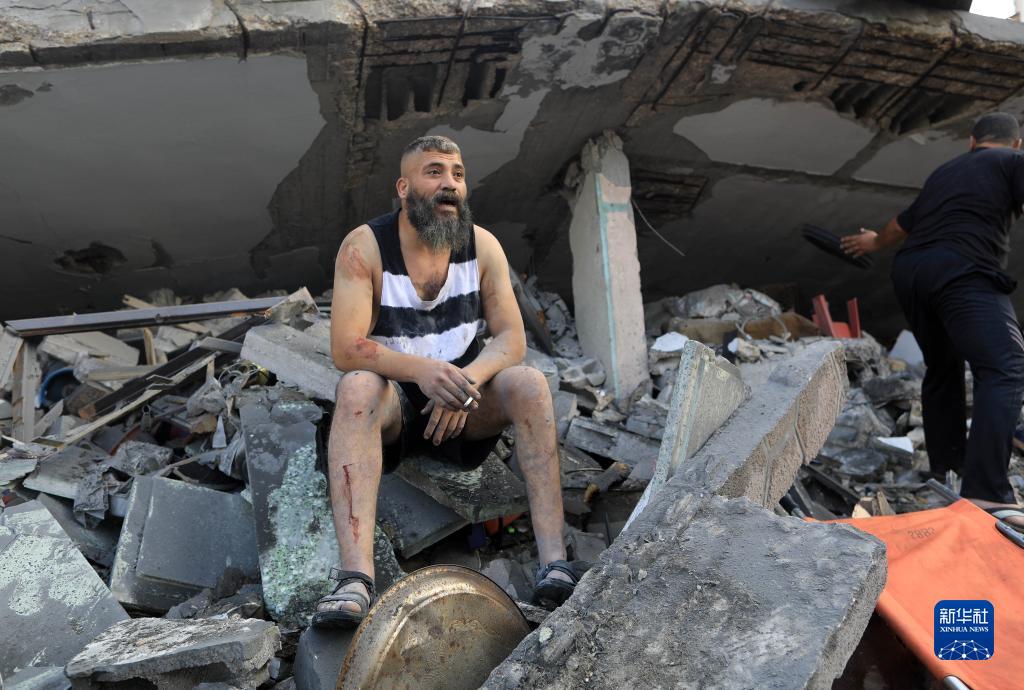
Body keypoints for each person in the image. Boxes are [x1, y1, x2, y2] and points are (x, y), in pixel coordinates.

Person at [312, 135, 577, 628]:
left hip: (464, 402)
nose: (449, 184)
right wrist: (424, 373)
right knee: (356, 388)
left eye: (457, 174)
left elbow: (511, 339)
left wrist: (464, 383)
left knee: (529, 384)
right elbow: (346, 349)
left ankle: (555, 564)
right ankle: (354, 581)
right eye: (434, 172)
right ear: (404, 187)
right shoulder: (364, 247)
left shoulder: (483, 246)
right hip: (398, 402)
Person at [842, 112, 1024, 531]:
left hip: (912, 274)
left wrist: (872, 241)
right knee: (1006, 367)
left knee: (943, 369)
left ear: (971, 142)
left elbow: (899, 225)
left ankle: (947, 471)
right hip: (962, 270)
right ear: (1016, 143)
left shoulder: (947, 172)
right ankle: (987, 491)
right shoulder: (1013, 162)